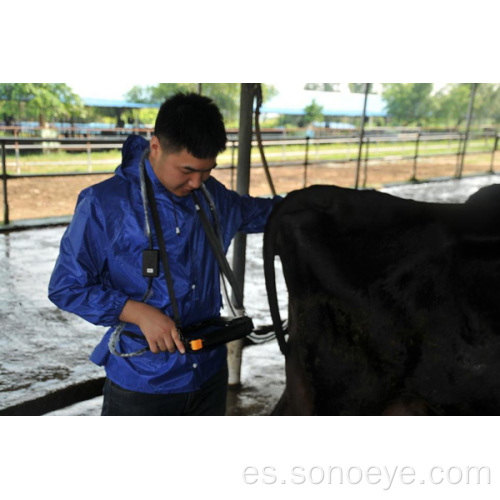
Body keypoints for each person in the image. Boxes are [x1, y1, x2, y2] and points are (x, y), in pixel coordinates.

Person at [48, 92, 281, 416]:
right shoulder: (105, 204)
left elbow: (271, 214)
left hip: (209, 373)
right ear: (155, 147)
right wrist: (136, 312)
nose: (197, 182)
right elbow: (66, 286)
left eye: (207, 170)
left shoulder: (212, 197)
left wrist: (327, 204)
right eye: (187, 170)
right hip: (143, 382)